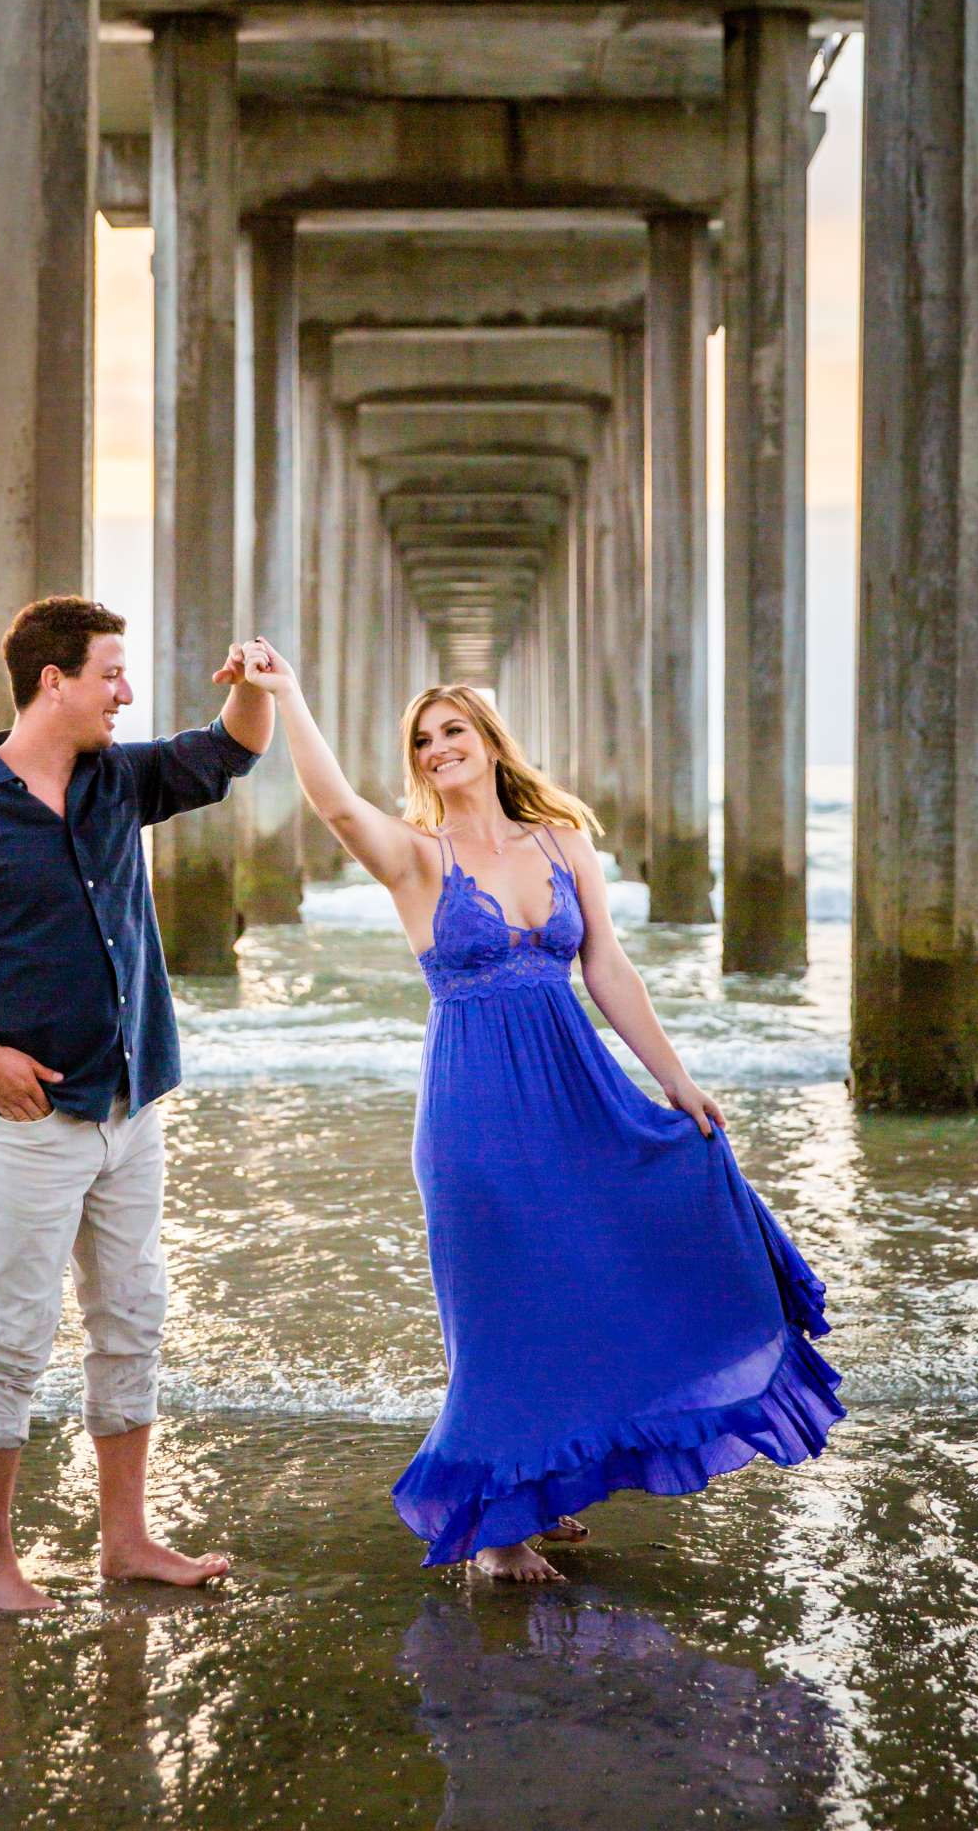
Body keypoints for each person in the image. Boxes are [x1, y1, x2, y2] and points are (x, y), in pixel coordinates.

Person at [241, 639, 843, 1582]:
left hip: (577, 1092)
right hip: (473, 1111)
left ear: (488, 739)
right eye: (423, 741)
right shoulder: (416, 859)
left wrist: (675, 1080)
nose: (439, 749)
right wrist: (288, 694)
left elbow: (606, 965)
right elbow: (333, 803)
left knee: (586, 1280)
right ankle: (496, 1530)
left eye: (454, 731)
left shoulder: (561, 838)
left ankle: (539, 1484)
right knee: (497, 1310)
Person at [0, 595, 271, 1612]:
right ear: (55, 681)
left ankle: (124, 1541)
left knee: (131, 1319)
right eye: (111, 675)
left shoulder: (112, 782)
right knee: (13, 1334)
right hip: (26, 1124)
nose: (125, 694)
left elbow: (224, 754)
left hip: (130, 1109)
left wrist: (258, 691)